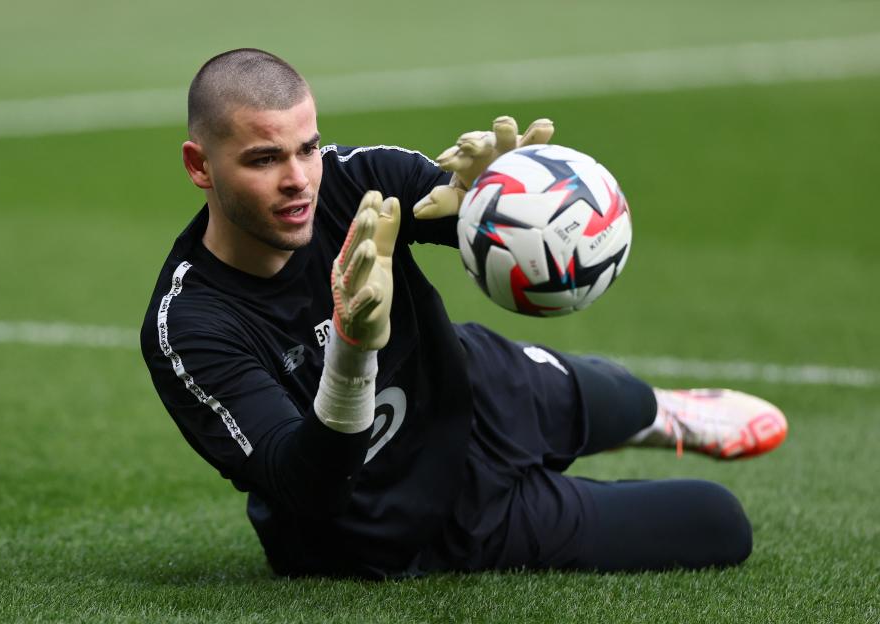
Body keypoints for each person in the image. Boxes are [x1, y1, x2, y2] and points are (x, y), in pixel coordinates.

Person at [140, 48, 788, 579]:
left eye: (306, 148)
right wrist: (351, 350)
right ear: (201, 165)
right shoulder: (189, 324)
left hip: (479, 393)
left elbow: (489, 236)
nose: (298, 180)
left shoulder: (353, 181)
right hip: (403, 523)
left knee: (622, 400)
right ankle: (607, 444)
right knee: (716, 522)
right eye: (263, 159)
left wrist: (500, 195)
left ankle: (660, 415)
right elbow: (302, 485)